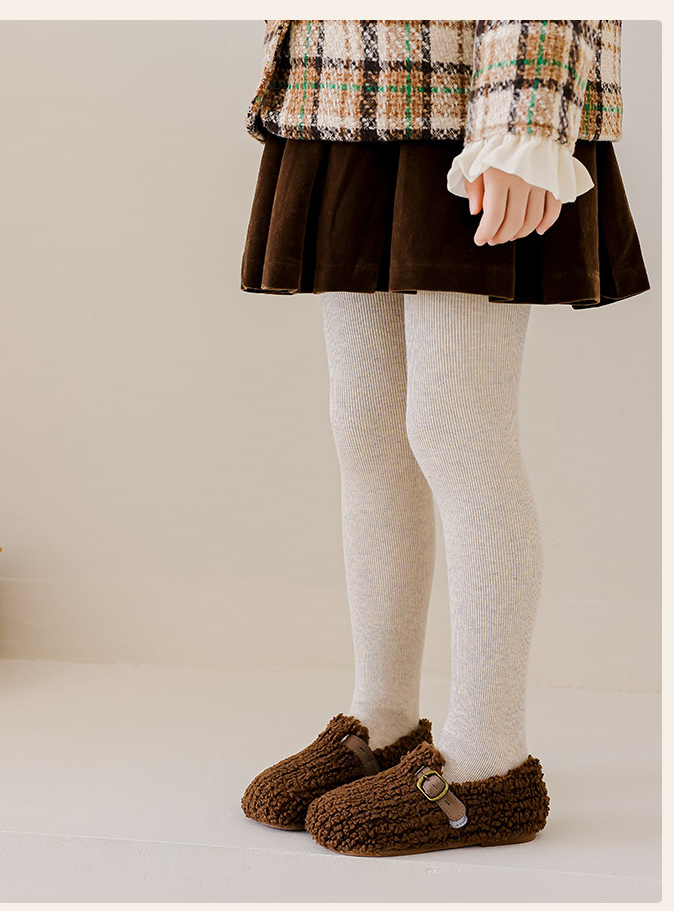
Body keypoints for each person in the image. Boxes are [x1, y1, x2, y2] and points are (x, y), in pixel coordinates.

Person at [239, 20, 650, 857]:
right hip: (347, 90)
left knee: (457, 428)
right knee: (367, 426)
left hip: (472, 97)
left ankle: (489, 760)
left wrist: (526, 116)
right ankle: (383, 719)